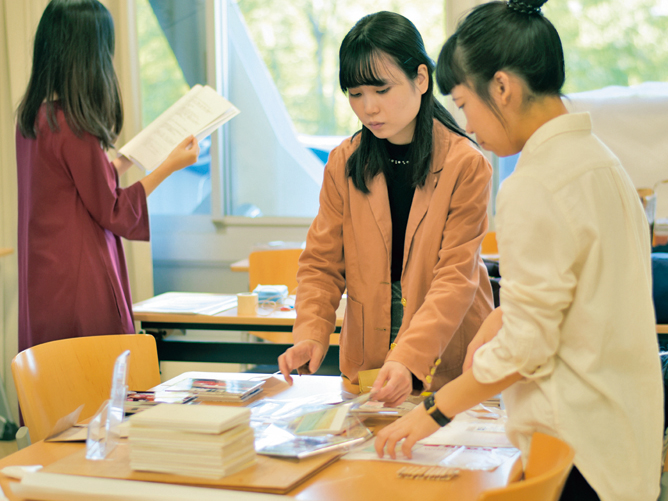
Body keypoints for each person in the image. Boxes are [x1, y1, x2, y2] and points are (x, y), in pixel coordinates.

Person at [375, 1, 663, 500]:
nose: (469, 127)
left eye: (465, 104)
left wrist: (435, 411)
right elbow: (575, 297)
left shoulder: (536, 184)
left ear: (502, 87)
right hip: (620, 437)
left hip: (577, 450)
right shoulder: (601, 162)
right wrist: (503, 317)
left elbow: (528, 348)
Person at [278, 11, 494, 407]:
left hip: (446, 353)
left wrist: (410, 359)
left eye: (381, 90)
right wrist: (311, 333)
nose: (368, 108)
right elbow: (322, 263)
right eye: (356, 94)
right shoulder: (345, 160)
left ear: (421, 79)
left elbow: (455, 277)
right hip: (369, 356)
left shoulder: (466, 162)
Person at [16, 0, 200, 352]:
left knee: (53, 390)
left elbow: (66, 189)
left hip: (45, 280)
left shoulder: (35, 119)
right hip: (80, 282)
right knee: (97, 388)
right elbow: (112, 210)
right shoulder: (76, 128)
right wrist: (169, 165)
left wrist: (118, 164)